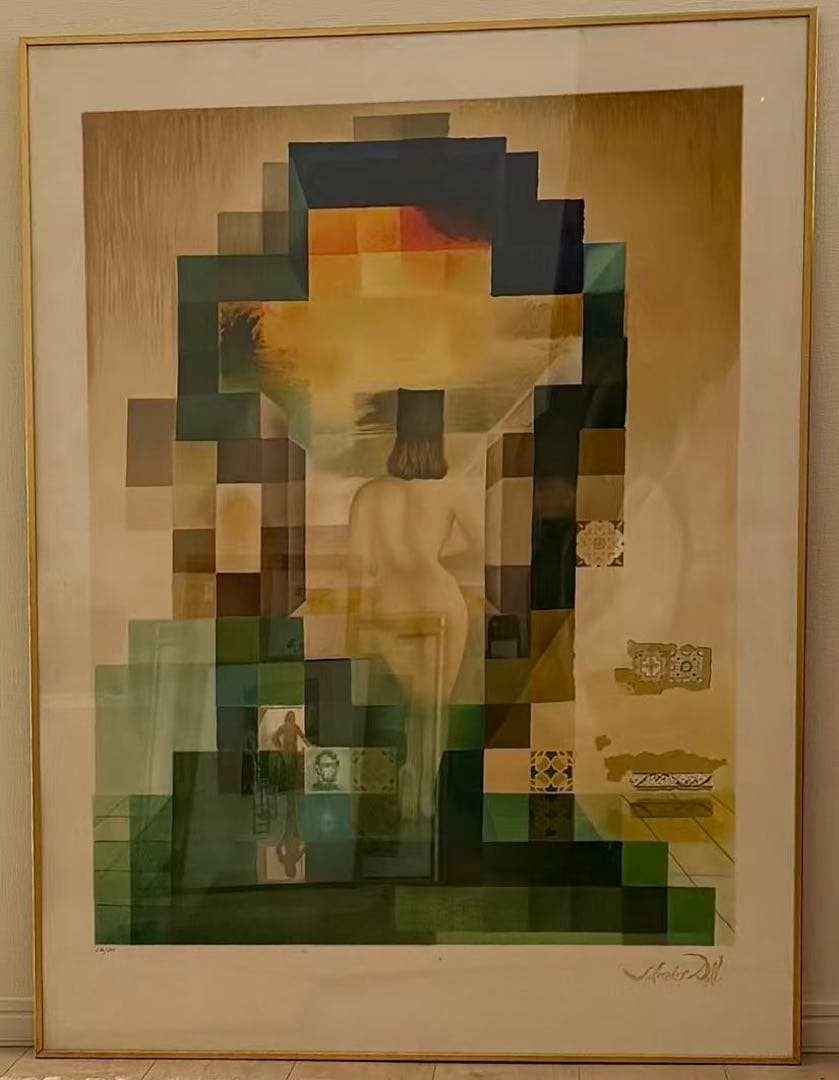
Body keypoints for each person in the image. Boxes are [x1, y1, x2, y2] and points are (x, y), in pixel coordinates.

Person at [347, 388, 479, 820]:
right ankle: (423, 789)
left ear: (397, 433)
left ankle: (404, 776)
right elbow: (484, 550)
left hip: (390, 606)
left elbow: (358, 568)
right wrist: (438, 557)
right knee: (432, 705)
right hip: (441, 600)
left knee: (405, 702)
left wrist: (355, 629)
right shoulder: (451, 489)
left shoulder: (369, 494)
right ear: (438, 435)